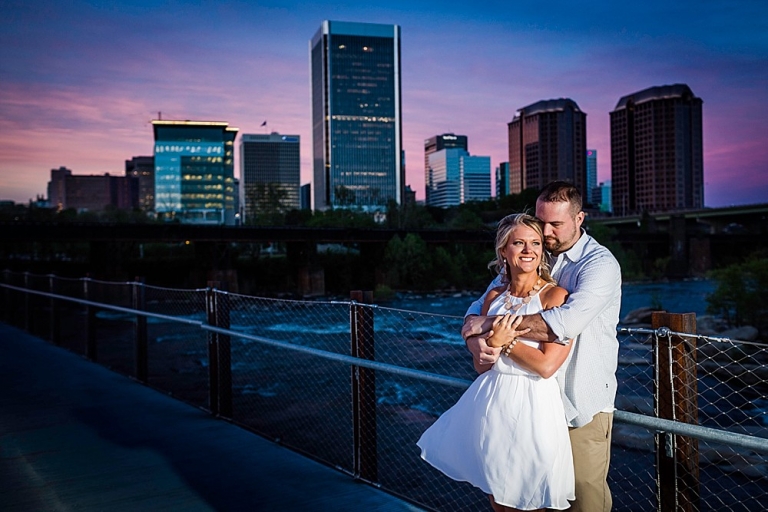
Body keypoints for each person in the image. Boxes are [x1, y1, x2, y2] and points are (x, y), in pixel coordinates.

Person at [462, 181, 622, 512]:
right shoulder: (531, 251)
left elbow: (563, 324)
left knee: (583, 499)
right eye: (540, 221)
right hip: (524, 406)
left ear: (580, 218)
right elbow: (480, 307)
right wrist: (474, 339)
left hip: (578, 402)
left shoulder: (599, 265)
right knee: (520, 496)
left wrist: (494, 330)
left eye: (555, 224)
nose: (545, 232)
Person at [418, 213, 575, 512]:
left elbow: (546, 367)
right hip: (492, 404)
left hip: (534, 407)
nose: (528, 250)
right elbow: (481, 366)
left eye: (535, 243)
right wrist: (487, 343)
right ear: (504, 250)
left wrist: (507, 341)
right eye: (519, 243)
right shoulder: (494, 296)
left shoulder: (555, 296)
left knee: (531, 500)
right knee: (498, 499)